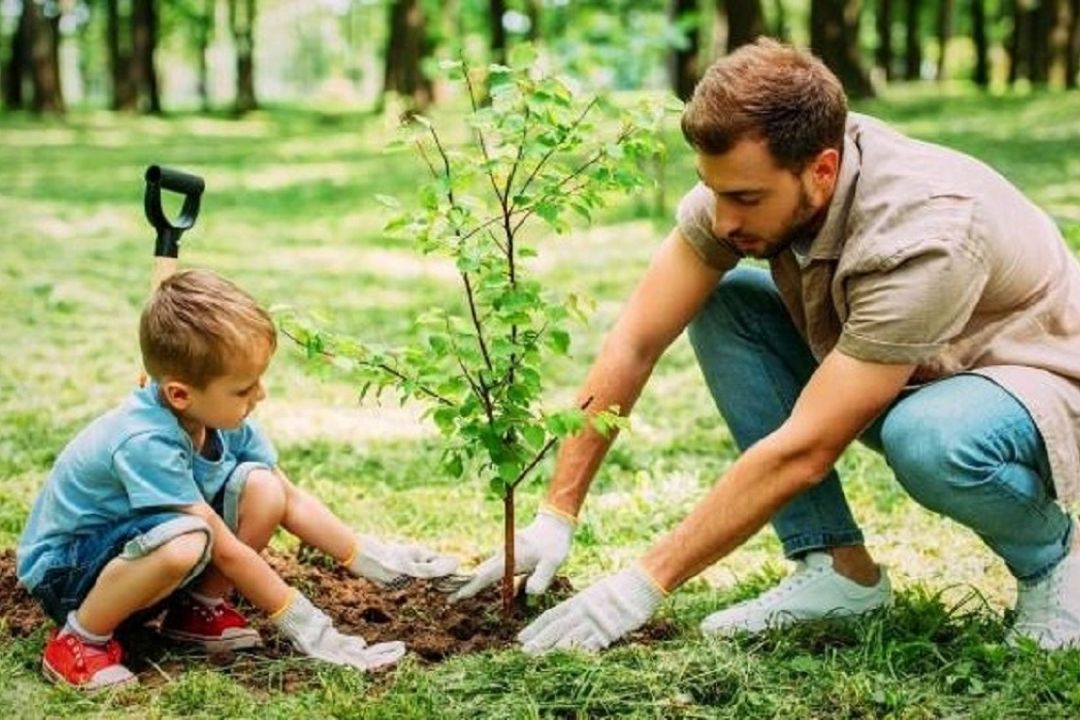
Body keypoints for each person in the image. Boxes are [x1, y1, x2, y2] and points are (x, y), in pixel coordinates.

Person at [451, 38, 1080, 654]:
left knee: (928, 436)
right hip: (910, 363)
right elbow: (635, 341)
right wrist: (555, 514)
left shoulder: (924, 234)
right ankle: (839, 572)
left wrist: (640, 585)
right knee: (727, 308)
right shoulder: (753, 181)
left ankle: (1056, 565)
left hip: (1029, 378)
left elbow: (806, 448)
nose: (723, 219)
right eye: (715, 188)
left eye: (746, 198)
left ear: (822, 170)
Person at [16, 269, 459, 689]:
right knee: (189, 538)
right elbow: (223, 550)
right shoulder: (143, 440)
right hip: (69, 573)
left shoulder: (218, 415)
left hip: (134, 555)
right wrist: (306, 624)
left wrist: (369, 558)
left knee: (263, 487)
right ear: (179, 394)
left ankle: (196, 612)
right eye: (244, 389)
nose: (259, 396)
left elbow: (289, 498)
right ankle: (79, 641)